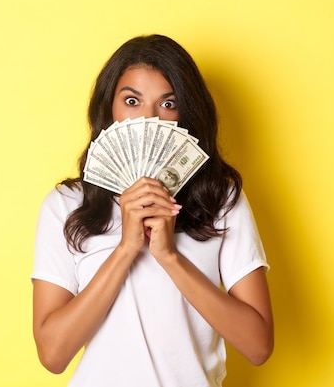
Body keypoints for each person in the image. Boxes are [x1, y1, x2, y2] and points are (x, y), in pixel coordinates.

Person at [31, 34, 273, 387]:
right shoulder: (67, 205)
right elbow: (52, 355)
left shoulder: (221, 199)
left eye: (168, 104)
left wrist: (169, 255)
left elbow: (258, 346)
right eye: (132, 101)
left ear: (187, 114)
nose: (148, 119)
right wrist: (127, 247)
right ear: (108, 109)